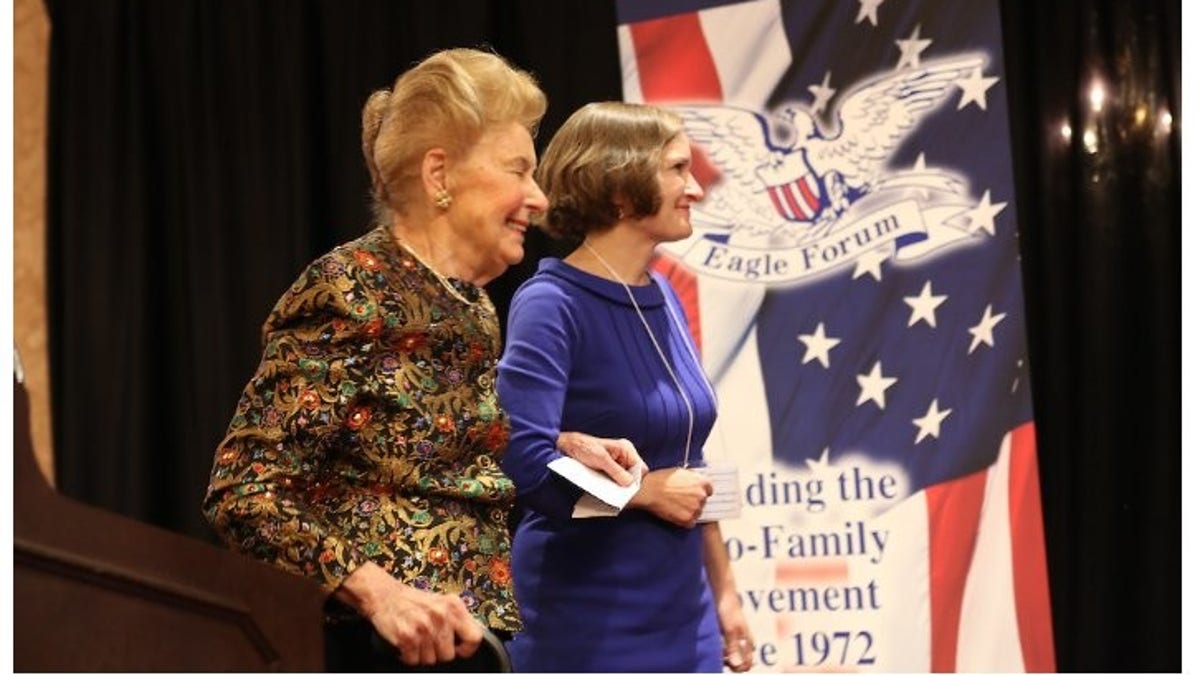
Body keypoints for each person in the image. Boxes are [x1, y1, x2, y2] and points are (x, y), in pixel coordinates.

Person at [201, 49, 640, 671]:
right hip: (369, 651)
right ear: (440, 175)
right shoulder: (351, 288)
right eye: (519, 170)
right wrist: (381, 595)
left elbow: (425, 441)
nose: (539, 199)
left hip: (467, 645)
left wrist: (561, 442)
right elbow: (244, 493)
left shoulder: (471, 304)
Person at [496, 101, 756, 672]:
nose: (696, 189)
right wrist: (642, 492)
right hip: (587, 622)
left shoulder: (660, 295)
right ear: (619, 187)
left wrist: (726, 594)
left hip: (686, 619)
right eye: (678, 170)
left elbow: (690, 463)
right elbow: (522, 458)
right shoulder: (551, 304)